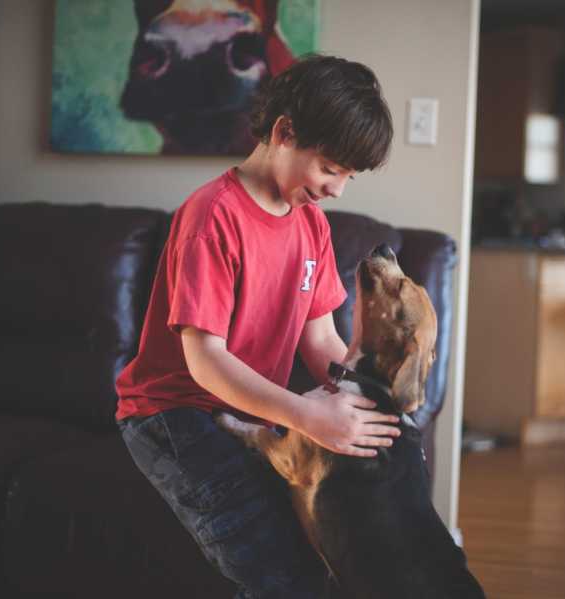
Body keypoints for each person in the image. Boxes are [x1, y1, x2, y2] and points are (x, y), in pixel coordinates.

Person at [115, 54, 396, 598]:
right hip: (175, 413)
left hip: (245, 409)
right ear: (284, 132)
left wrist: (372, 406)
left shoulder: (312, 224)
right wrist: (310, 415)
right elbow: (206, 362)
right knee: (284, 574)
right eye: (331, 169)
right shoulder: (211, 216)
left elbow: (321, 341)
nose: (338, 189)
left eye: (349, 178)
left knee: (323, 553)